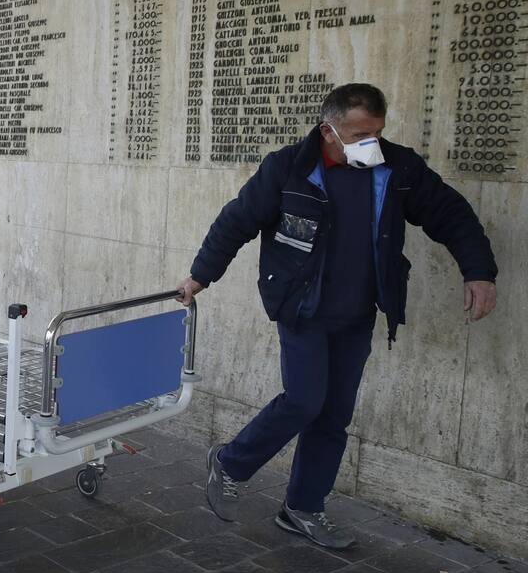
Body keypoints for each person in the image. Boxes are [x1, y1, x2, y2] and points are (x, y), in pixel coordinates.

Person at [177, 83, 497, 549]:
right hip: (302, 308)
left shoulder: (399, 167)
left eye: (379, 132)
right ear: (330, 130)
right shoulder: (289, 167)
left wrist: (479, 272)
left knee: (333, 415)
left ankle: (303, 507)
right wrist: (199, 277)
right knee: (305, 400)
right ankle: (230, 462)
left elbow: (451, 214)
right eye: (362, 133)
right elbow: (237, 221)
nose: (373, 143)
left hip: (359, 312)